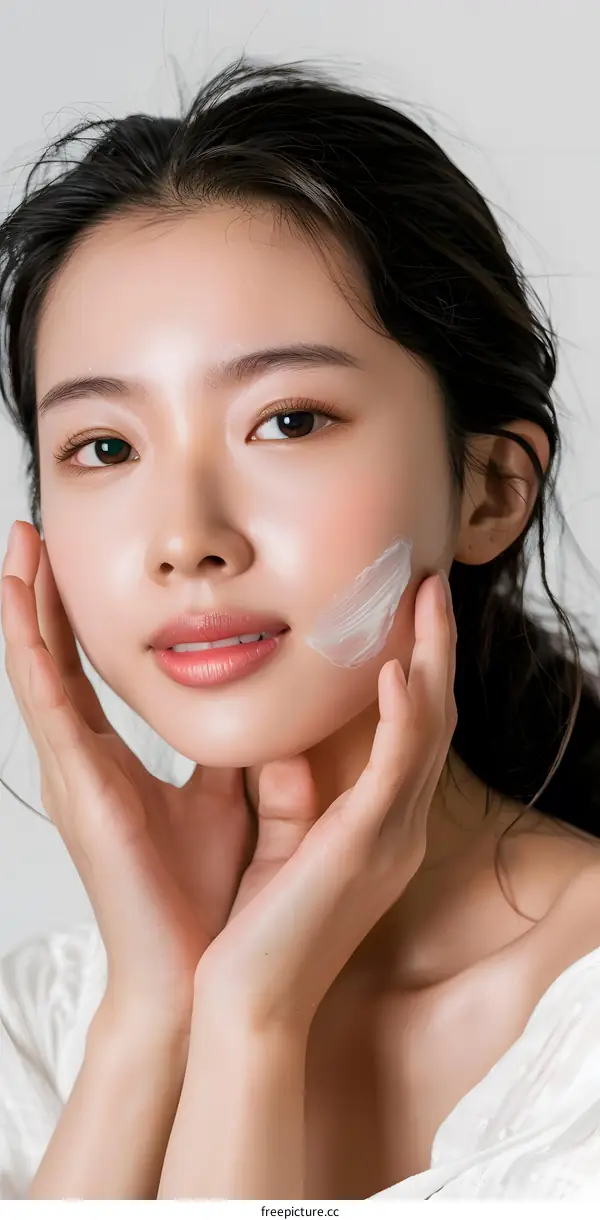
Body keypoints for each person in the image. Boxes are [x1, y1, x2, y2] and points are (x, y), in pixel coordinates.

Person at [1, 56, 600, 1202]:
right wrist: (154, 1016)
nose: (185, 537)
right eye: (106, 447)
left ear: (489, 488)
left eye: (286, 418)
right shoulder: (46, 1030)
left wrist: (251, 1026)